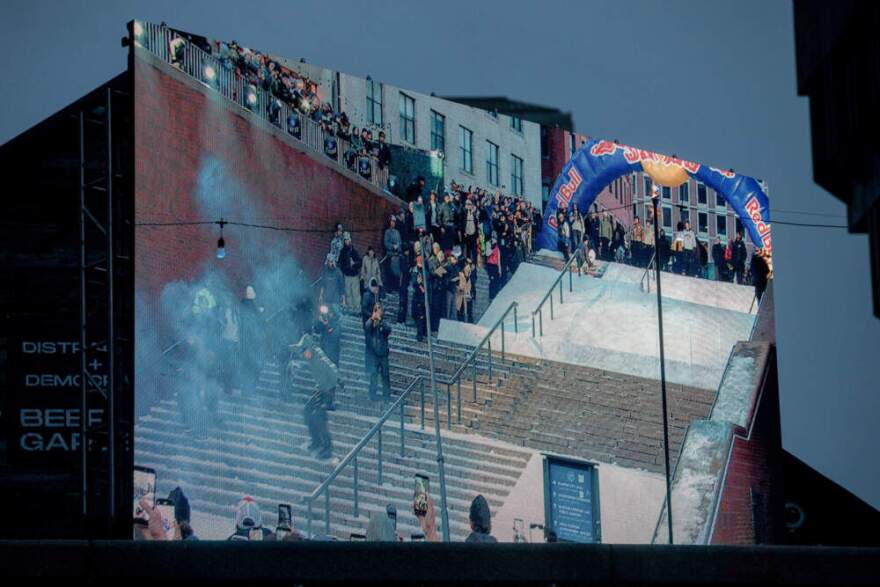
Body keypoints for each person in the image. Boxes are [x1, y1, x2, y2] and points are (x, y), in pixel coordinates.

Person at [289, 334, 339, 462]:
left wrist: (334, 386)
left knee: (320, 417)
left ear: (310, 349)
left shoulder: (320, 358)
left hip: (328, 390)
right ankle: (316, 441)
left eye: (304, 351)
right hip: (320, 389)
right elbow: (297, 349)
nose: (303, 355)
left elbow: (333, 370)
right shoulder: (310, 356)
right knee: (307, 411)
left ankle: (327, 449)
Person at [365, 303, 392, 401]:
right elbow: (367, 328)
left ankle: (386, 396)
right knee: (374, 375)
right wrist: (373, 319)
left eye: (380, 310)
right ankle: (372, 394)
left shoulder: (384, 323)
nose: (379, 312)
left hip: (383, 353)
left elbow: (388, 330)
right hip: (374, 354)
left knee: (385, 376)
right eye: (377, 310)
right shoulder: (370, 322)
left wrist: (380, 321)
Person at [338, 233, 362, 313]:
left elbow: (360, 262)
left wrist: (354, 264)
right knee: (348, 293)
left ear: (350, 241)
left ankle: (357, 309)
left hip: (354, 275)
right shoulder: (342, 252)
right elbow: (339, 263)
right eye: (345, 240)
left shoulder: (354, 251)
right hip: (347, 275)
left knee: (355, 293)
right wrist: (344, 268)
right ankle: (351, 308)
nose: (347, 242)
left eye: (348, 240)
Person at [412, 270, 428, 342]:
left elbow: (423, 292)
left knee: (420, 320)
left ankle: (420, 336)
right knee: (416, 318)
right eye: (418, 277)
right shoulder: (415, 284)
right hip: (416, 304)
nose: (419, 278)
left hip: (421, 305)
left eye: (420, 277)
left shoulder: (423, 285)